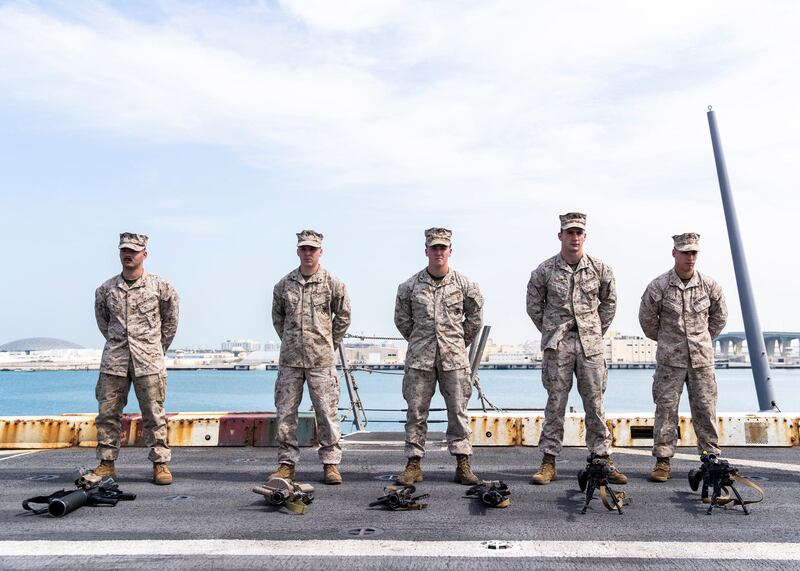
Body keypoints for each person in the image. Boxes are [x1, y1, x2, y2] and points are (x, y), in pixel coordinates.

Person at [526, 212, 626, 485]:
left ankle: (602, 459)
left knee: (595, 404)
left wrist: (593, 331)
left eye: (579, 232)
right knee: (555, 404)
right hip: (558, 345)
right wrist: (552, 330)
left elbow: (609, 303)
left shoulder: (600, 269)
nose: (574, 237)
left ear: (585, 236)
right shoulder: (544, 271)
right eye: (569, 232)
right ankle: (548, 462)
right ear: (561, 236)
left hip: (590, 345)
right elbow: (534, 306)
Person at [394, 227, 484, 486]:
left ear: (450, 251)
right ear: (426, 251)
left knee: (458, 412)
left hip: (454, 359)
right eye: (434, 248)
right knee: (416, 412)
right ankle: (413, 464)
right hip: (420, 359)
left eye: (443, 248)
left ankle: (462, 464)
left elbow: (475, 318)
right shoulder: (409, 286)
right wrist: (421, 340)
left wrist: (457, 341)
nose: (438, 252)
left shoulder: (465, 285)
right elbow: (402, 320)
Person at [639, 233, 728, 482]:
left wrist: (701, 340)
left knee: (705, 410)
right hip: (670, 361)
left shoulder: (710, 286)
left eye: (694, 253)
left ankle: (710, 457)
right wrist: (668, 341)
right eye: (685, 252)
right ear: (674, 253)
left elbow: (719, 318)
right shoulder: (658, 286)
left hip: (701, 361)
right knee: (666, 410)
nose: (690, 257)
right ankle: (663, 461)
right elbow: (647, 320)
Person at [93, 232, 179, 485]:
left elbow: (171, 322)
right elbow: (103, 323)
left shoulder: (161, 287)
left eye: (133, 250)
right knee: (108, 414)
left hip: (149, 361)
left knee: (154, 414)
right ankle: (106, 464)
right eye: (123, 250)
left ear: (144, 254)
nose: (127, 255)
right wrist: (118, 344)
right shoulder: (106, 290)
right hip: (114, 360)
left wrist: (154, 348)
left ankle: (160, 464)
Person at [270, 230, 352, 485]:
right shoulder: (283, 285)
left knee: (327, 413)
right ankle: (286, 464)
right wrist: (292, 341)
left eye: (312, 249)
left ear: (320, 252)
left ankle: (330, 464)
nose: (308, 253)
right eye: (304, 249)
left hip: (321, 360)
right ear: (298, 251)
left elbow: (344, 316)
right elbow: (278, 319)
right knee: (285, 414)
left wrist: (328, 343)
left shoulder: (332, 284)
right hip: (291, 361)